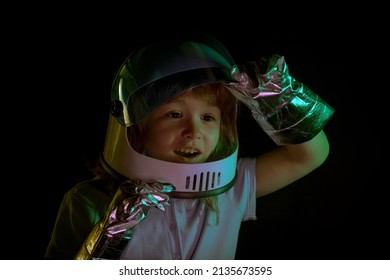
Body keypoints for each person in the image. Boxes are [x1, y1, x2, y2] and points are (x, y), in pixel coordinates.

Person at [44, 30, 334, 260]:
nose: (193, 131)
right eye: (175, 114)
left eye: (208, 117)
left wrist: (280, 101)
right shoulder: (87, 200)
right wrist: (104, 241)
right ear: (138, 126)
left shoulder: (231, 187)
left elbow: (309, 156)